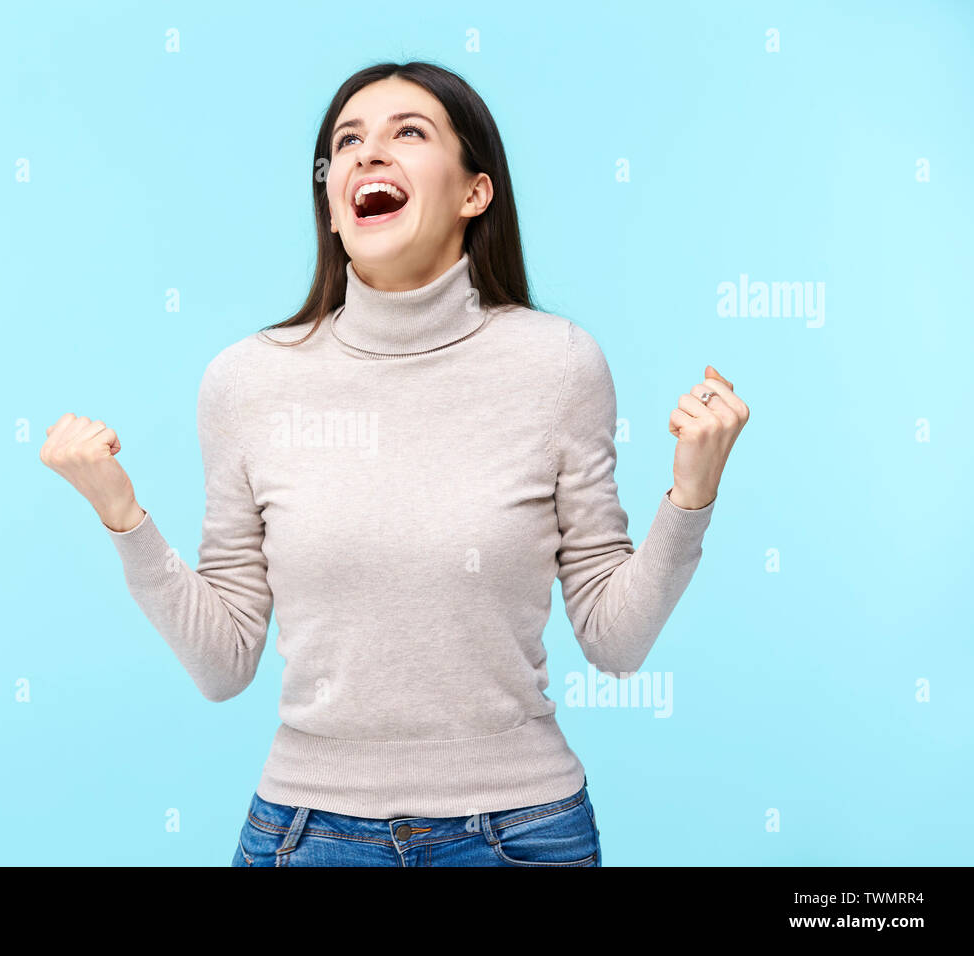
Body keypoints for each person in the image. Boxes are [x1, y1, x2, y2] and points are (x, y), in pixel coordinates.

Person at [40, 61, 749, 866]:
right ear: (333, 200)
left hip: (518, 832)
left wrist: (691, 494)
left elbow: (614, 641)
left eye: (408, 133)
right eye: (347, 142)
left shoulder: (558, 365)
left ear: (475, 192)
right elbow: (222, 662)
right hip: (306, 836)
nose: (368, 155)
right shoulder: (247, 381)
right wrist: (121, 513)